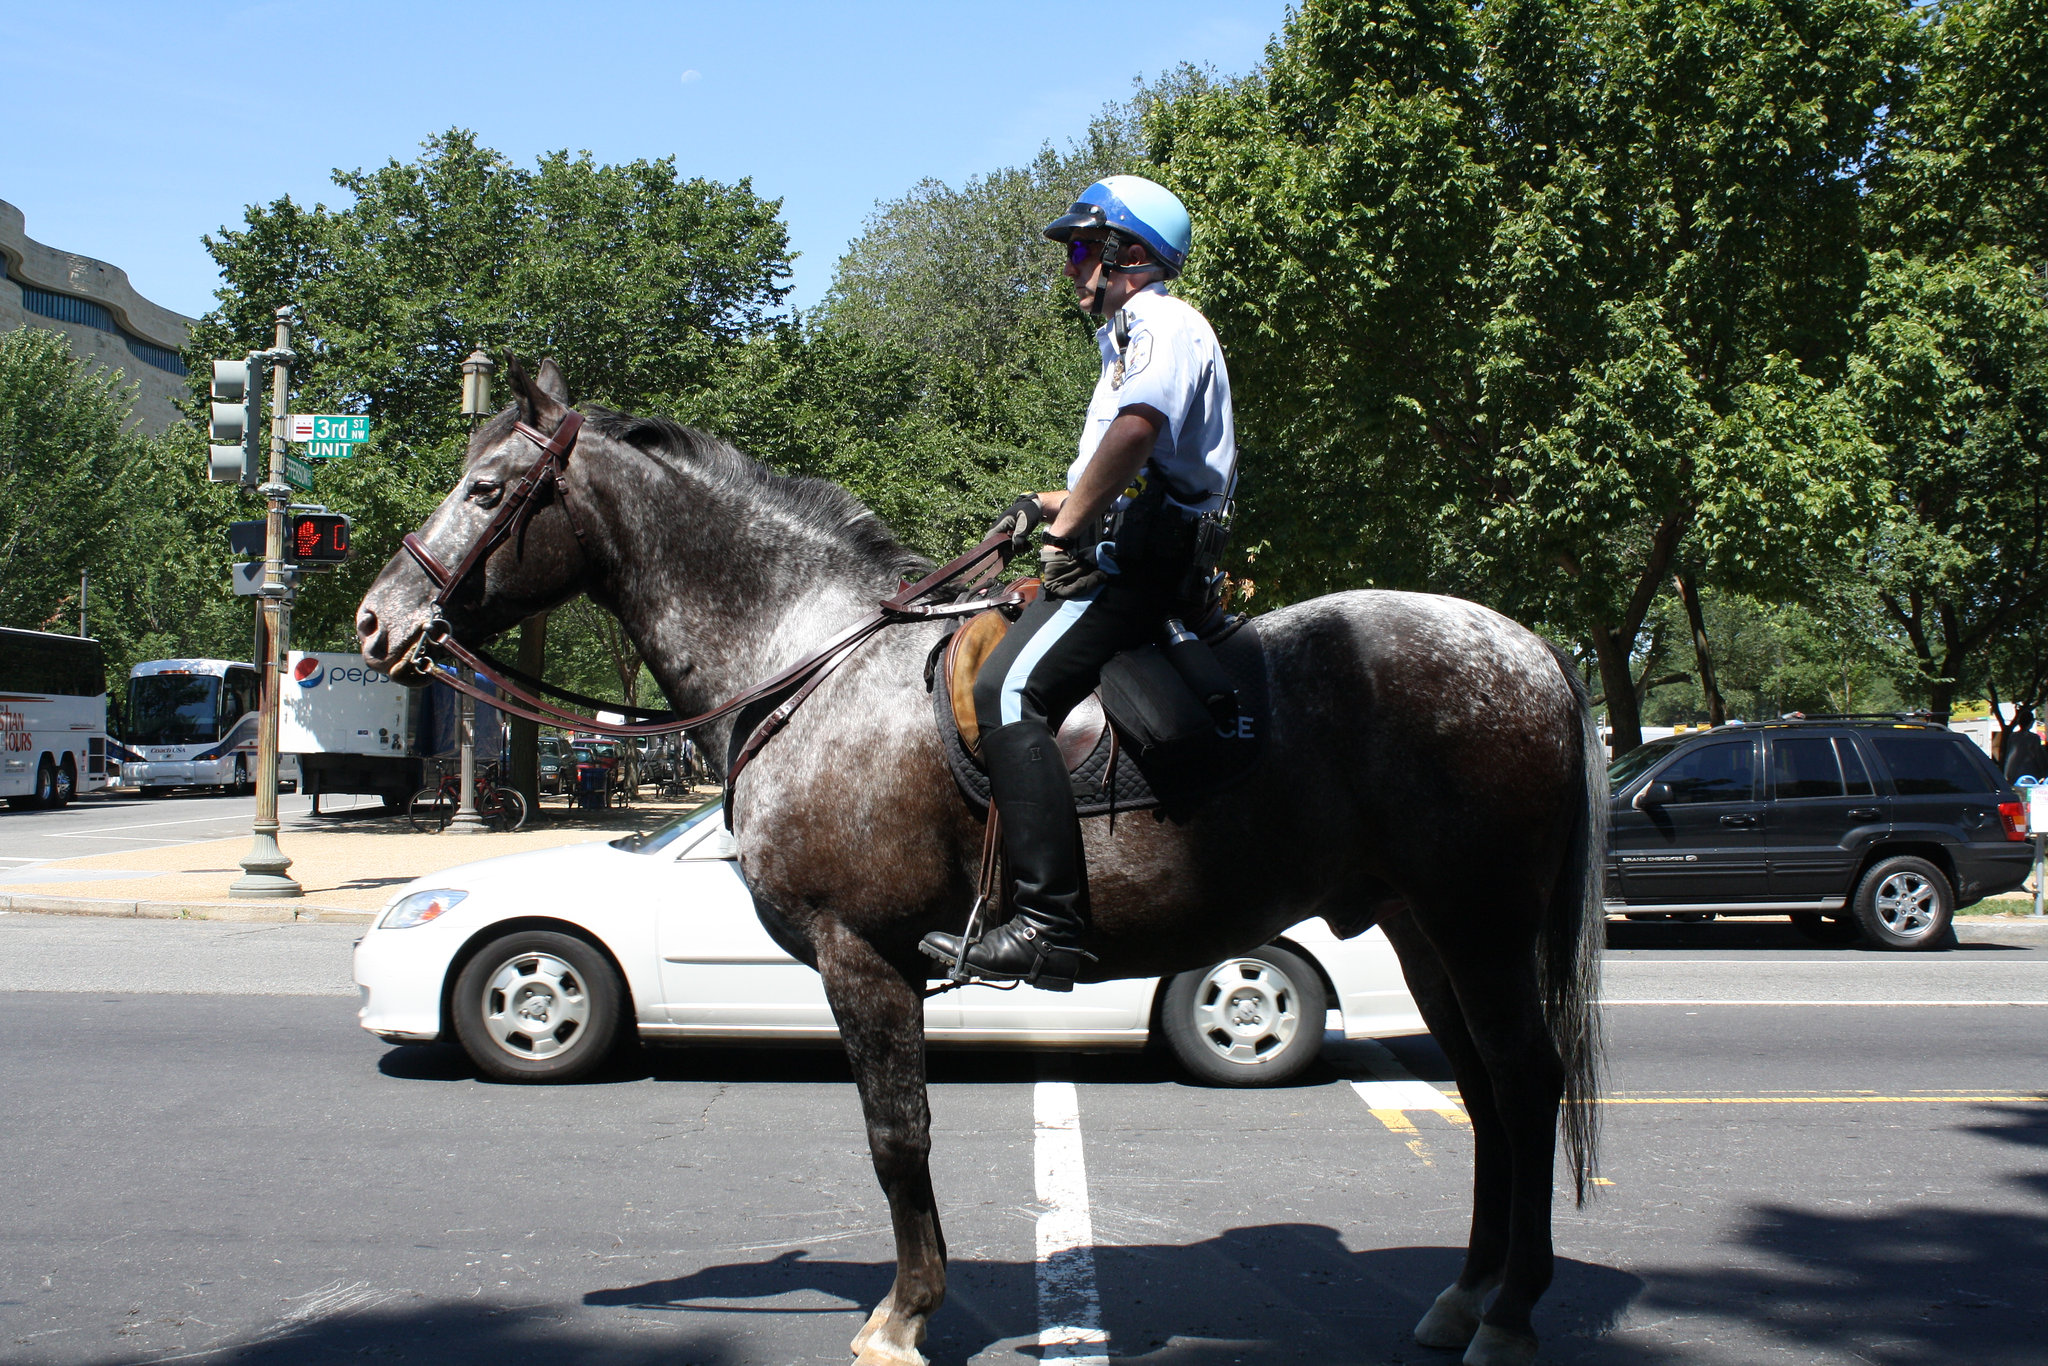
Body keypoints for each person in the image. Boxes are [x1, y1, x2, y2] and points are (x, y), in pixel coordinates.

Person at [921, 175, 1237, 991]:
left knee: (1006, 688)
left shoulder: (1158, 321)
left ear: (1129, 255)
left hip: (1148, 557)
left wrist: (1068, 528)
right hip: (1142, 535)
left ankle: (1045, 924)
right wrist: (1045, 505)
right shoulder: (1131, 336)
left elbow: (1138, 434)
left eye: (1082, 248)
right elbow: (1127, 466)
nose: (1071, 267)